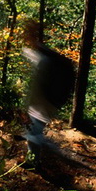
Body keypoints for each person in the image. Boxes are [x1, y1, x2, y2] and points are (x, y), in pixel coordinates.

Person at [22, 20, 75, 163]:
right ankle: (38, 153)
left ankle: (36, 160)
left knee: (34, 132)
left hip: (45, 100)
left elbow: (37, 87)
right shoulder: (46, 54)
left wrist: (29, 104)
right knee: (34, 130)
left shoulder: (43, 60)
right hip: (53, 99)